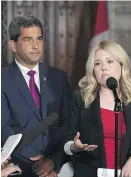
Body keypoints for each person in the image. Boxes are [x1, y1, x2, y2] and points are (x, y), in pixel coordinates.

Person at [63, 40, 131, 177]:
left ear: (121, 65)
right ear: (93, 70)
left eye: (110, 61)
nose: (104, 68)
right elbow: (67, 139)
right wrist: (74, 147)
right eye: (97, 63)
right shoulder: (81, 99)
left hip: (128, 173)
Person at [1, 15, 72, 177]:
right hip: (17, 170)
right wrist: (35, 164)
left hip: (56, 169)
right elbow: (4, 130)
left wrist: (53, 160)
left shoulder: (58, 77)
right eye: (28, 40)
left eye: (39, 39)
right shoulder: (2, 80)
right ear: (13, 45)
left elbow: (68, 124)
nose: (36, 46)